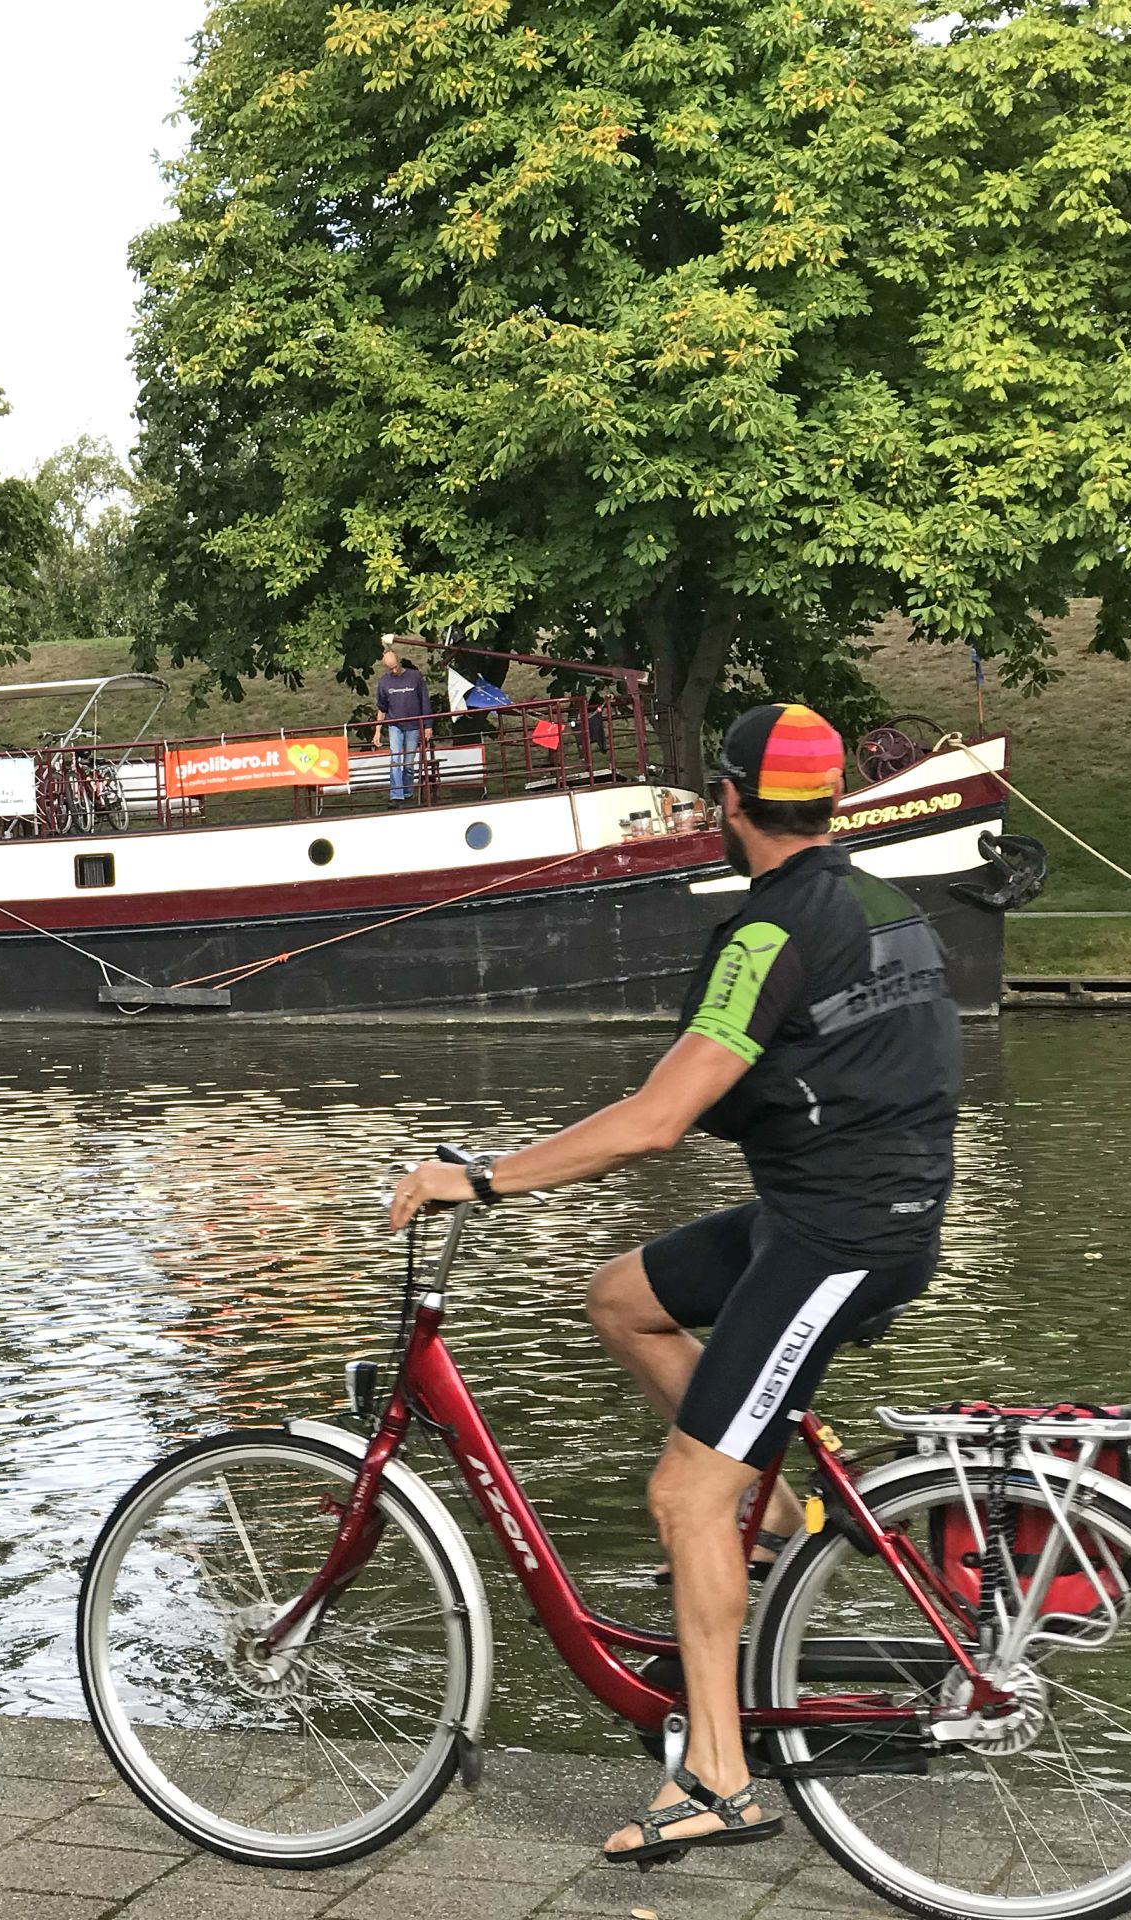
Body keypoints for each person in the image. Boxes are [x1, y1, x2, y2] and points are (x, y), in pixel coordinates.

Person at [387, 702, 960, 1869]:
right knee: (621, 1297)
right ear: (831, 802)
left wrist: (481, 1177)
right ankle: (779, 1525)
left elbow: (656, 1121)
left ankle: (717, 1777)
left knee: (684, 1496)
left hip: (840, 1236)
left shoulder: (768, 931)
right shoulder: (883, 900)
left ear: (730, 803)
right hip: (849, 1210)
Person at [371, 643, 431, 802]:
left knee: (409, 763)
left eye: (395, 666)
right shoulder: (384, 682)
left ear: (399, 660)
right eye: (390, 668)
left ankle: (407, 792)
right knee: (395, 759)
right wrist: (377, 730)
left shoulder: (415, 677)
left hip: (413, 725)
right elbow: (382, 708)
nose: (394, 670)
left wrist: (428, 725)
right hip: (395, 725)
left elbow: (424, 701)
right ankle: (396, 795)